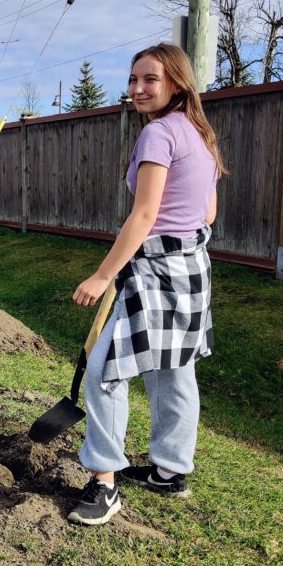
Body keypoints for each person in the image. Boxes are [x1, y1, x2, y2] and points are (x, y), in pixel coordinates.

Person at [66, 43, 225, 527]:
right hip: (193, 267)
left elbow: (144, 214)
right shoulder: (200, 133)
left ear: (176, 82)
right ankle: (170, 471)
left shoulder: (158, 134)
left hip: (156, 271)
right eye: (133, 79)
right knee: (174, 370)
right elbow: (209, 212)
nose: (137, 88)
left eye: (149, 79)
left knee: (104, 371)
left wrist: (102, 275)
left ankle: (104, 483)